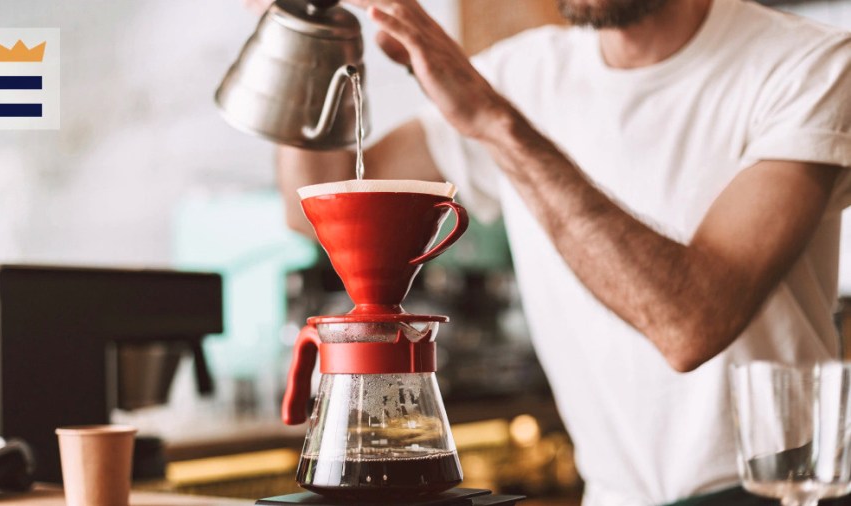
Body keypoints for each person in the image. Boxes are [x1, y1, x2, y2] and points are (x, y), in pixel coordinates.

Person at [271, 0, 851, 504]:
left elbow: (689, 322)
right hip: (609, 494)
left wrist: (495, 123)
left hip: (779, 492)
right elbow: (319, 203)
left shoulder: (811, 65)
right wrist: (303, 34)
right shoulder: (522, 73)